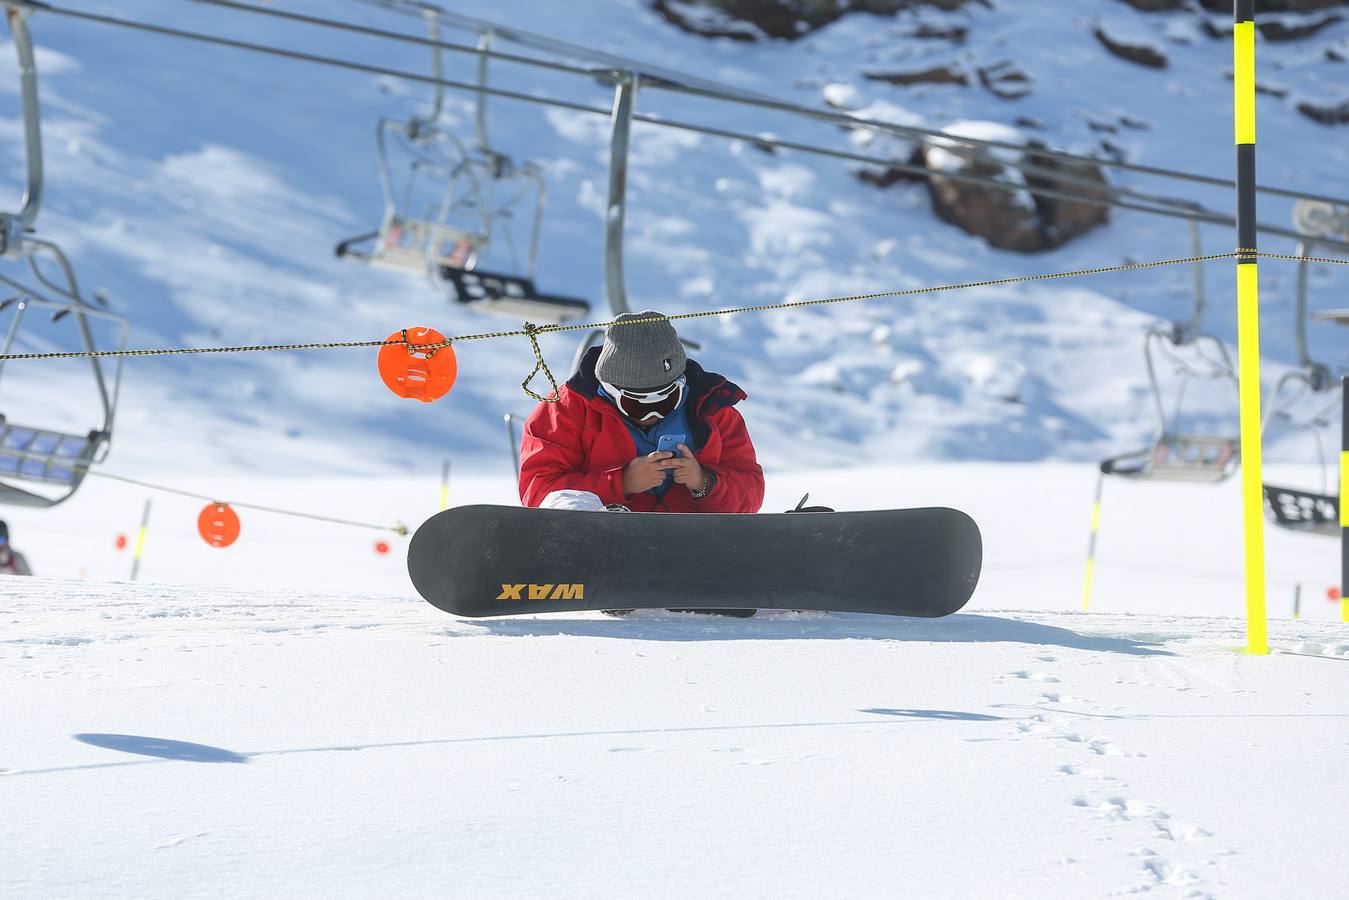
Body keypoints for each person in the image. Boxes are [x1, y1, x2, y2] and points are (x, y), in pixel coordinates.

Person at [519, 310, 764, 514]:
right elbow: (538, 491)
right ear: (610, 391)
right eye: (636, 405)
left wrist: (704, 481)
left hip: (694, 551)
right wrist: (621, 482)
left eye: (666, 401)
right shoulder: (564, 411)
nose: (652, 415)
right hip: (600, 549)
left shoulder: (713, 410)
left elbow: (750, 492)